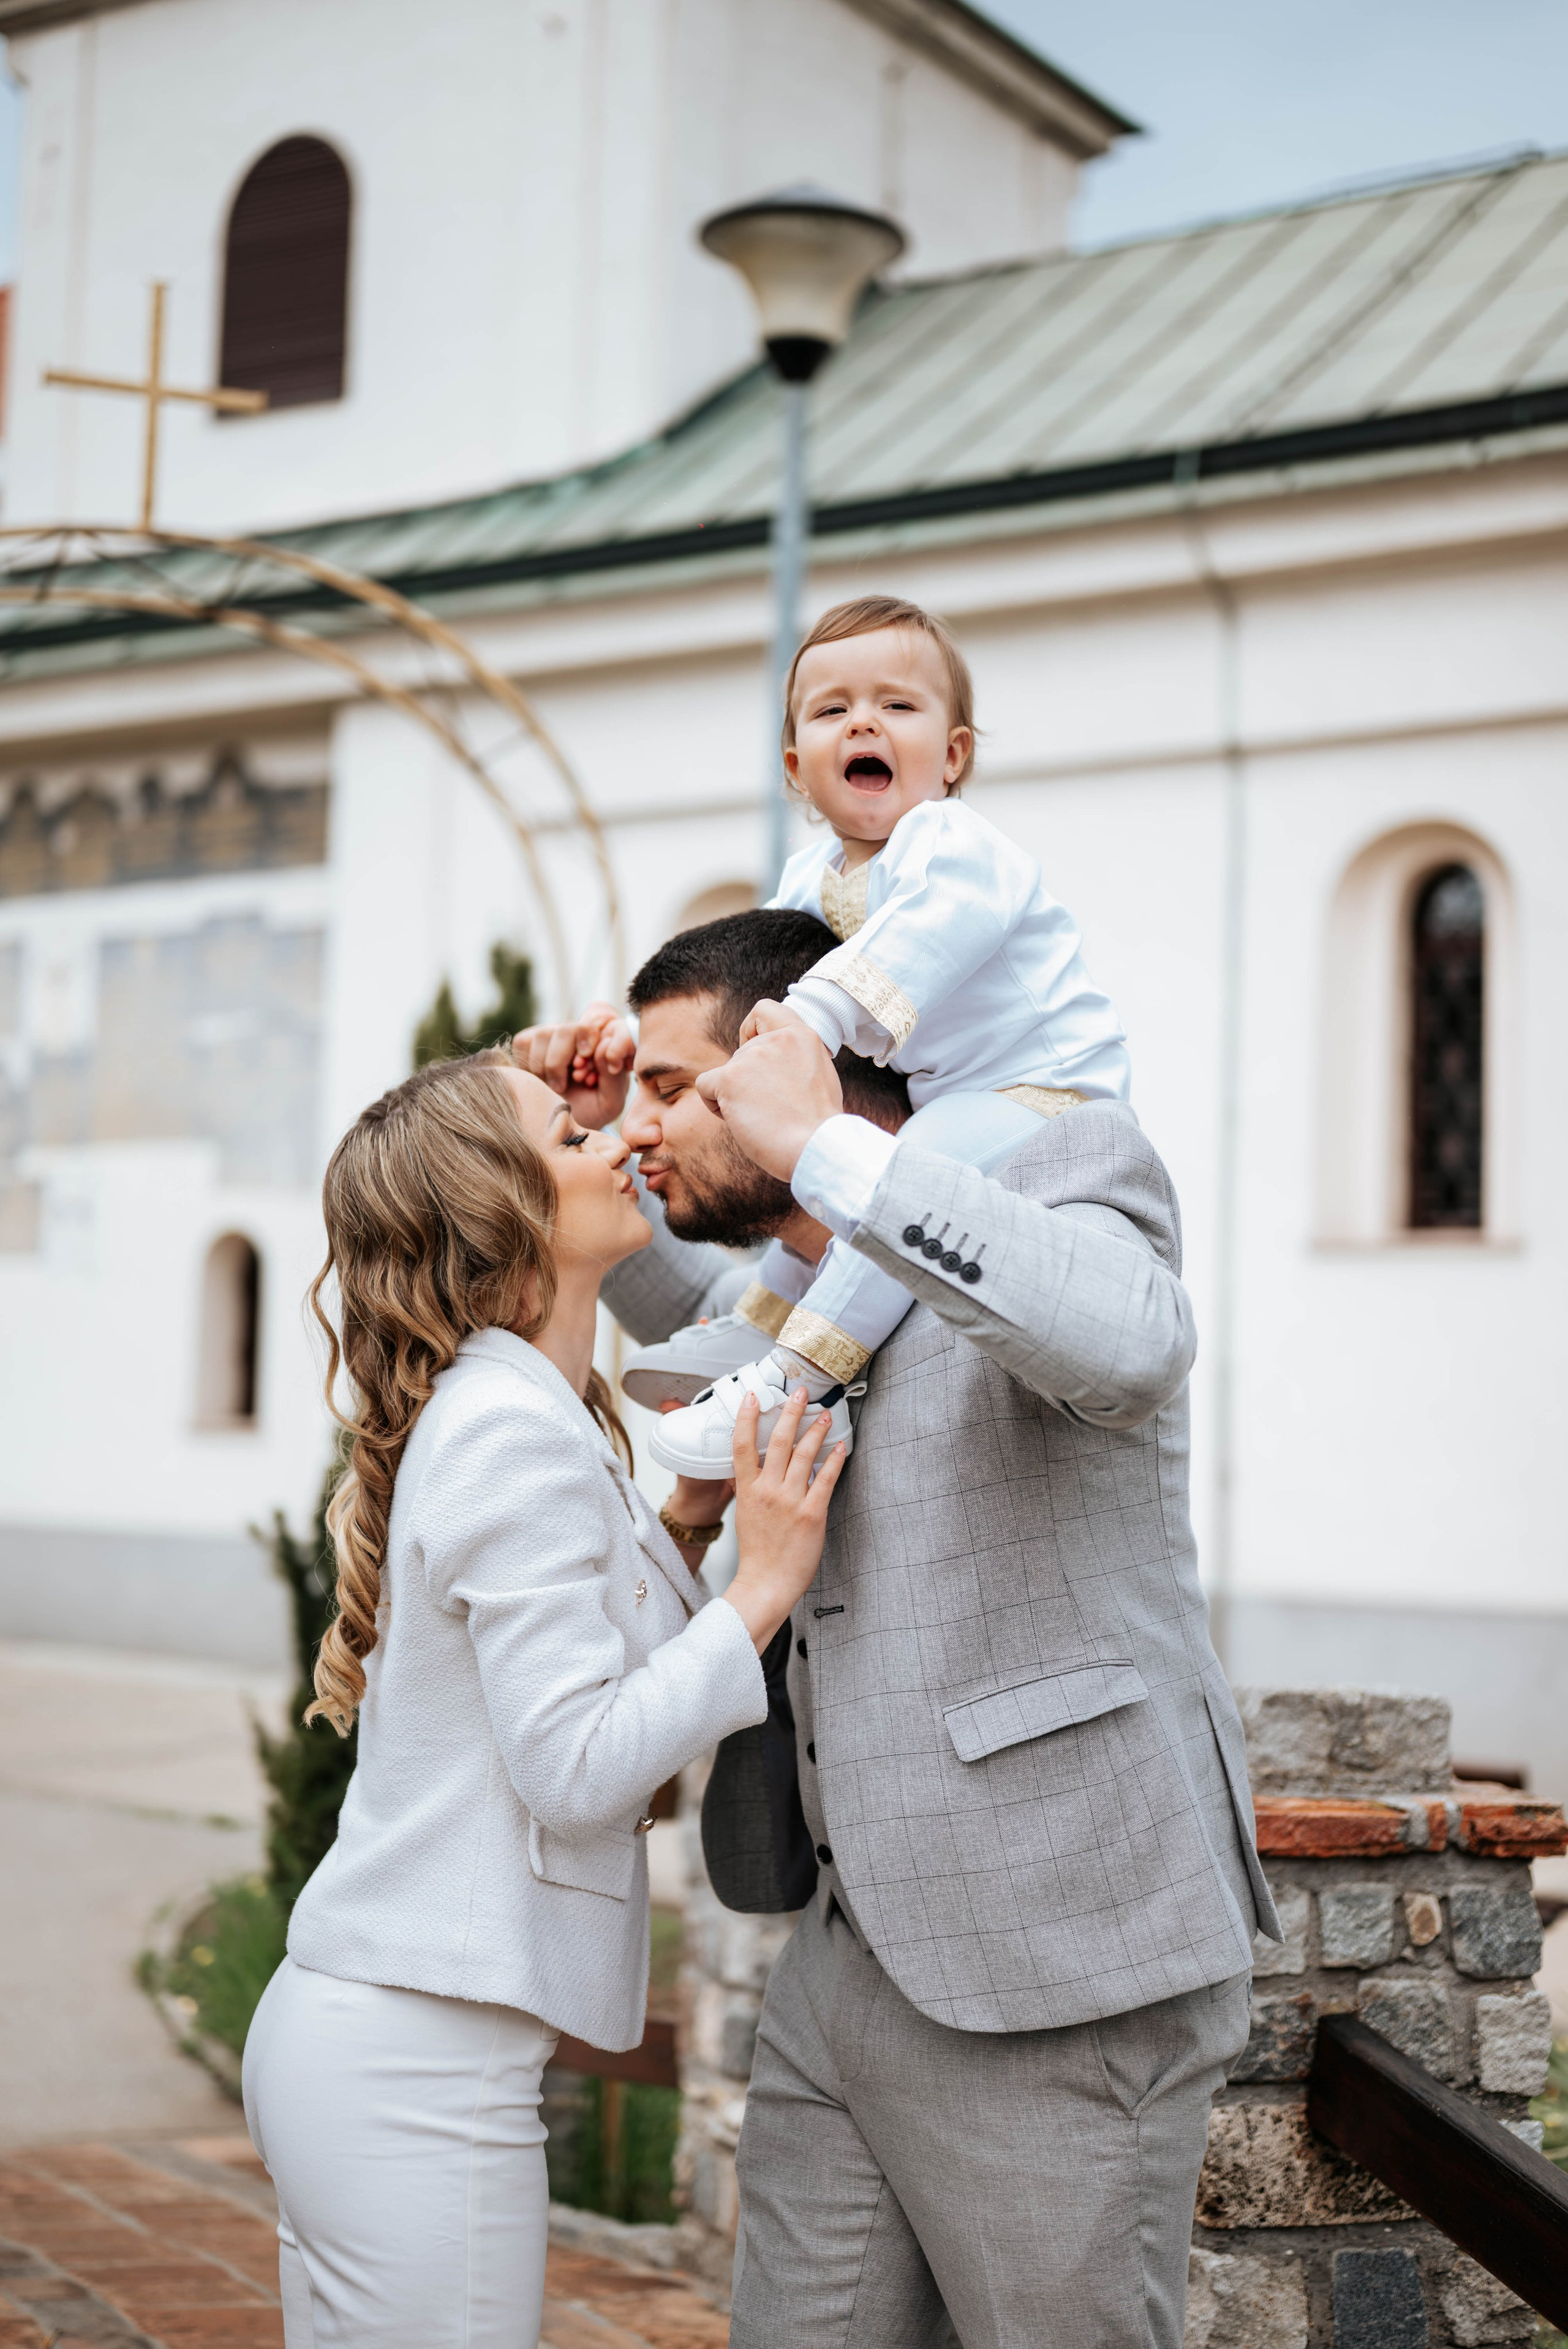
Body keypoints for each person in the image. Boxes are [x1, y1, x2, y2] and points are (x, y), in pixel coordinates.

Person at [516, 913, 1281, 2349]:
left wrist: (833, 1156)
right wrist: (580, 1133)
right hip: (845, 1958)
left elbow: (1131, 1339)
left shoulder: (1053, 1162)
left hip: (1055, 1956)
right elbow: (702, 1298)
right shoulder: (798, 1291)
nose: (647, 1128)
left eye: (677, 1092)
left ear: (788, 1060)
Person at [241, 1047, 846, 2349]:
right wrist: (767, 1582)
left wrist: (684, 1534)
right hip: (415, 2073)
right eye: (570, 1139)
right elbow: (573, 1766)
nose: (618, 1139)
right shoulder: (508, 1432)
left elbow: (572, 1664)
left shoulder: (521, 1414)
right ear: (503, 1213)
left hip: (390, 2045)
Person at [645, 595, 1131, 1479]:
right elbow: (750, 976)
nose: (864, 721)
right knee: (826, 1188)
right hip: (949, 1089)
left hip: (1041, 1086)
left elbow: (928, 934)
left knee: (894, 1182)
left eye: (897, 706)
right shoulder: (810, 876)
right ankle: (759, 1330)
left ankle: (802, 1375)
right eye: (834, 710)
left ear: (952, 756)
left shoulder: (952, 843)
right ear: (798, 767)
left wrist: (813, 1017)